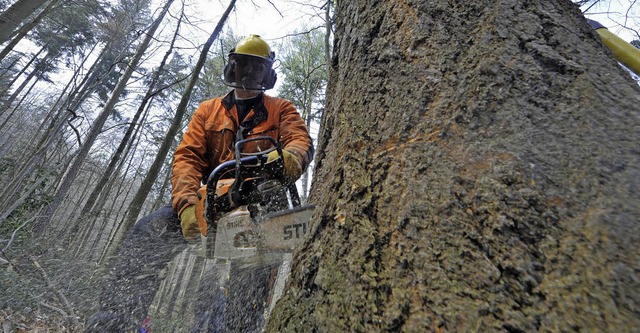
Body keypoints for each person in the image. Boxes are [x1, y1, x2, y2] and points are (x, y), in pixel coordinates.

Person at [85, 34, 314, 332]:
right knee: (148, 233)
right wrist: (186, 207)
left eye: (257, 68)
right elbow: (187, 158)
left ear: (267, 74)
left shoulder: (281, 108)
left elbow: (300, 140)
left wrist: (287, 159)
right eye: (243, 65)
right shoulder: (209, 110)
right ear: (233, 67)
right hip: (215, 200)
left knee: (250, 281)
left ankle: (239, 326)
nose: (249, 73)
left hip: (261, 201)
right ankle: (114, 321)